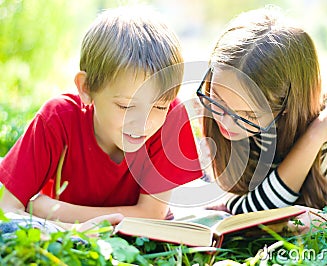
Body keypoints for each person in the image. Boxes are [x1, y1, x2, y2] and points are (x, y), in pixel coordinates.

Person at [0, 6, 203, 225]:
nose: (144, 124)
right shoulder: (57, 118)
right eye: (126, 107)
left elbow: (153, 214)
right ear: (86, 88)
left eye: (160, 106)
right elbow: (7, 207)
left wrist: (52, 210)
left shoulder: (172, 117)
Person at [197, 7, 327, 215]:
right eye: (218, 100)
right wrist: (314, 136)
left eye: (248, 115)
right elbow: (243, 212)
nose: (227, 123)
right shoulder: (215, 119)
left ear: (287, 106)